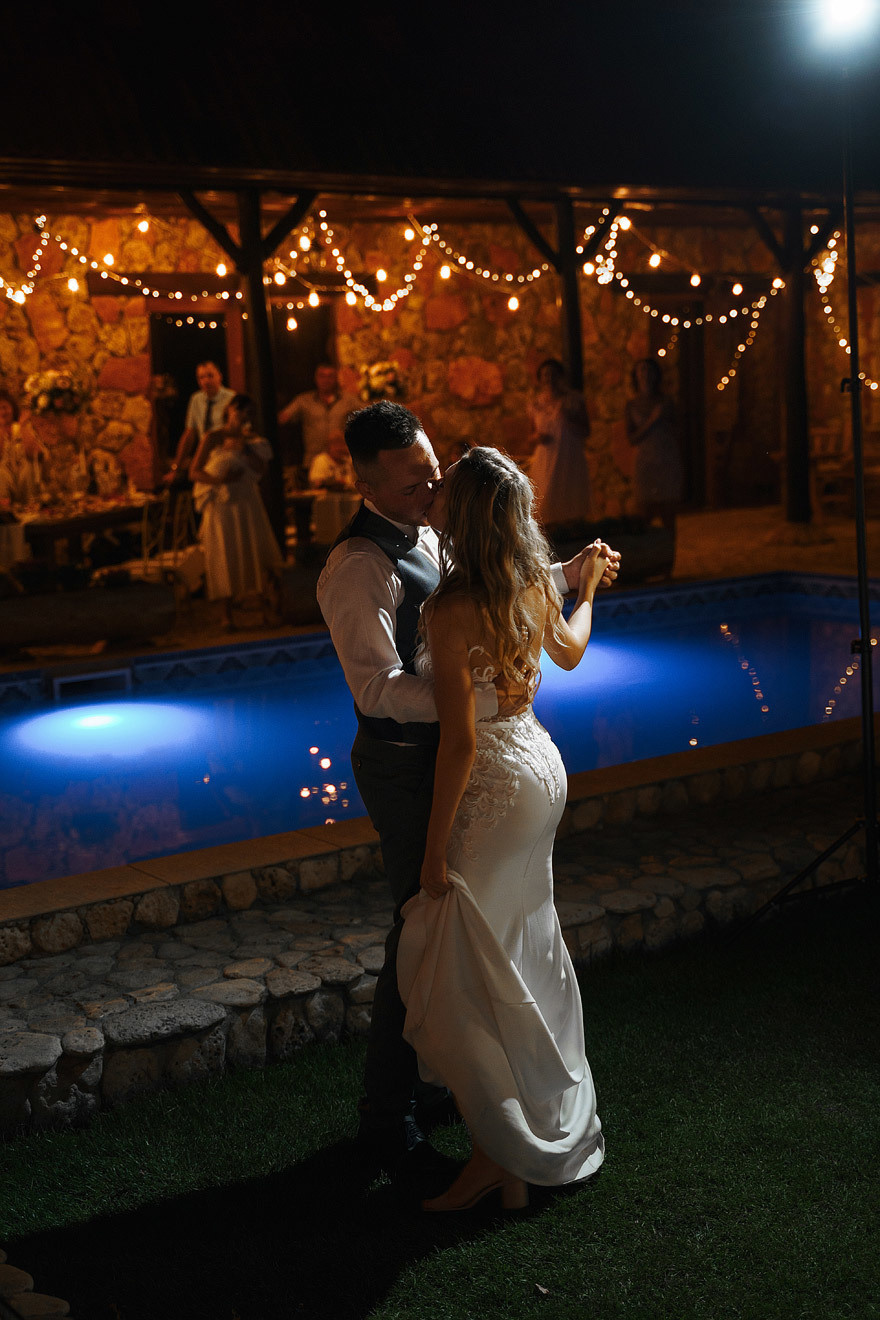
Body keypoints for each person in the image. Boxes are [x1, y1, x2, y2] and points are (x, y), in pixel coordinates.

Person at [316, 400, 619, 1181]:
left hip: (470, 755)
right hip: (407, 762)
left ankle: (453, 1082)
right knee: (421, 928)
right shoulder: (357, 567)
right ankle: (388, 1116)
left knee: (472, 927)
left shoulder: (432, 530)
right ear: (366, 483)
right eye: (412, 482)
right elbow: (378, 689)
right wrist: (484, 697)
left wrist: (566, 577)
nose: (430, 489)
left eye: (433, 471)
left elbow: (494, 595)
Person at [397, 447, 611, 1212]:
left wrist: (432, 853)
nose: (434, 492)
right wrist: (587, 586)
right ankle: (512, 1156)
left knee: (466, 973)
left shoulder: (448, 610)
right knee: (519, 953)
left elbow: (458, 745)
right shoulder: (529, 581)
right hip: (543, 770)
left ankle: (499, 1155)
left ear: (460, 516)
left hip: (494, 783)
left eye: (445, 487)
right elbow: (571, 653)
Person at [189, 394, 282, 630]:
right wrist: (220, 479)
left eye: (248, 413)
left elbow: (262, 469)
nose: (243, 416)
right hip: (221, 505)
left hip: (247, 501)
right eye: (239, 410)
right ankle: (226, 615)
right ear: (229, 410)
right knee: (224, 553)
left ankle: (263, 610)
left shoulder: (252, 440)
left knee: (252, 550)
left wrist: (245, 449)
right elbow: (194, 471)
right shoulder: (213, 437)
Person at [527, 358, 592, 526]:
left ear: (560, 377)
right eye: (545, 375)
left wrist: (568, 420)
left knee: (569, 501)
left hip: (568, 456)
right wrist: (537, 437)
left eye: (553, 374)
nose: (549, 378)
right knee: (544, 502)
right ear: (540, 379)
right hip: (546, 458)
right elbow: (531, 435)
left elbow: (586, 430)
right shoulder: (536, 404)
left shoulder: (573, 401)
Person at [625, 357, 683, 536]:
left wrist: (665, 422)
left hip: (666, 459)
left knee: (668, 512)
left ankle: (670, 550)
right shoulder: (632, 405)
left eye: (649, 370)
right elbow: (632, 439)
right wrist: (652, 420)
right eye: (642, 370)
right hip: (645, 461)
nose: (646, 374)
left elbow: (678, 430)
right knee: (645, 512)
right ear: (636, 375)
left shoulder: (666, 402)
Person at [163, 362, 235, 488]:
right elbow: (189, 434)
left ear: (219, 376)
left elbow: (240, 431)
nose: (206, 381)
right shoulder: (197, 399)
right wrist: (176, 468)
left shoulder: (232, 398)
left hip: (225, 457)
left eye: (210, 376)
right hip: (204, 457)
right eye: (201, 377)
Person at [278, 364, 359, 470]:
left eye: (330, 376)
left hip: (341, 461)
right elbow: (283, 418)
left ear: (336, 379)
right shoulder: (303, 400)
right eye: (322, 376)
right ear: (316, 379)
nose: (326, 380)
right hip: (313, 460)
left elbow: (372, 414)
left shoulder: (348, 400)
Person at [0, 390, 43, 507]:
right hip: (5, 476)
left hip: (26, 473)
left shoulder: (25, 426)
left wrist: (23, 425)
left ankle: (31, 506)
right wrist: (2, 428)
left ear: (12, 408)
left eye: (4, 407)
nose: (2, 412)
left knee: (28, 469)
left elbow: (34, 453)